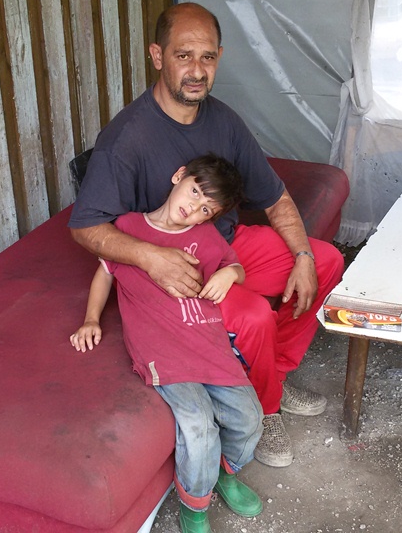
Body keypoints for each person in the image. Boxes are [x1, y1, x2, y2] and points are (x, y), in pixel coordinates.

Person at [69, 2, 344, 467]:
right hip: (178, 264)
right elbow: (85, 227)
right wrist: (150, 257)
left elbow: (275, 198)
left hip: (226, 247)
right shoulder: (126, 139)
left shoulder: (223, 120)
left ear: (220, 57)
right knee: (254, 317)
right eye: (183, 56)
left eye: (208, 57)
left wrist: (301, 255)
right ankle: (266, 407)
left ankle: (271, 377)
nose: (197, 71)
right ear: (158, 56)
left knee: (326, 261)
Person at [71, 155, 263, 533]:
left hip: (209, 345)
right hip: (163, 351)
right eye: (195, 192)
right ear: (179, 177)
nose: (194, 207)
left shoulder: (206, 237)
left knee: (249, 418)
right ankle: (195, 506)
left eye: (206, 209)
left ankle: (225, 473)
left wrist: (229, 274)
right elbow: (105, 274)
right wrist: (91, 319)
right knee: (198, 425)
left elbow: (235, 266)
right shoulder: (127, 229)